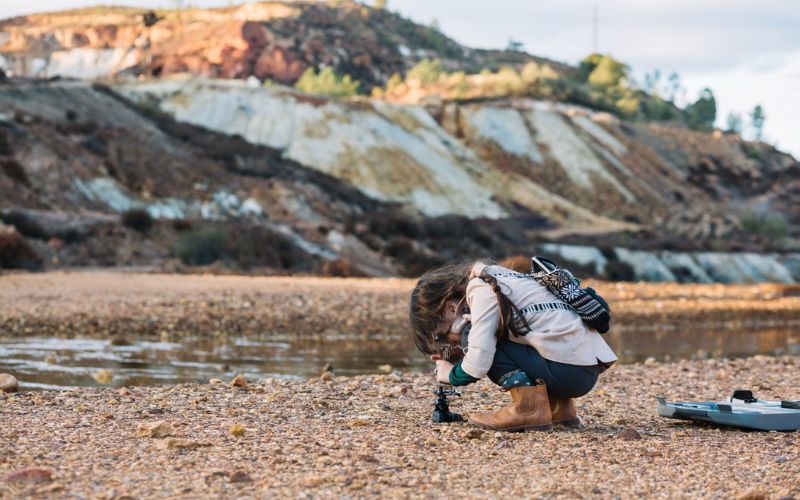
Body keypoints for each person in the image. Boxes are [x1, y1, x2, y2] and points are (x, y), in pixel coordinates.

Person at [409, 259, 617, 432]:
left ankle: (528, 410)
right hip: (586, 369)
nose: (450, 343)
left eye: (442, 337)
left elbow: (477, 365)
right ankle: (560, 409)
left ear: (450, 308)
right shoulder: (499, 277)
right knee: (505, 335)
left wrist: (449, 373)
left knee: (481, 339)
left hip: (568, 372)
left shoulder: (481, 292)